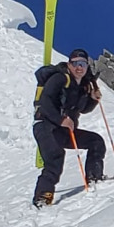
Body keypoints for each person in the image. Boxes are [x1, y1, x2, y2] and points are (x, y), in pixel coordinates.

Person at [32, 48, 106, 207]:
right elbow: (45, 102)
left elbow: (83, 109)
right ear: (69, 64)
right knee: (55, 156)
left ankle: (94, 178)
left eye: (83, 64)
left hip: (64, 130)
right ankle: (42, 196)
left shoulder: (82, 85)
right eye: (75, 63)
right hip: (45, 126)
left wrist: (92, 99)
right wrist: (61, 119)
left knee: (96, 141)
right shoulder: (59, 78)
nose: (79, 67)